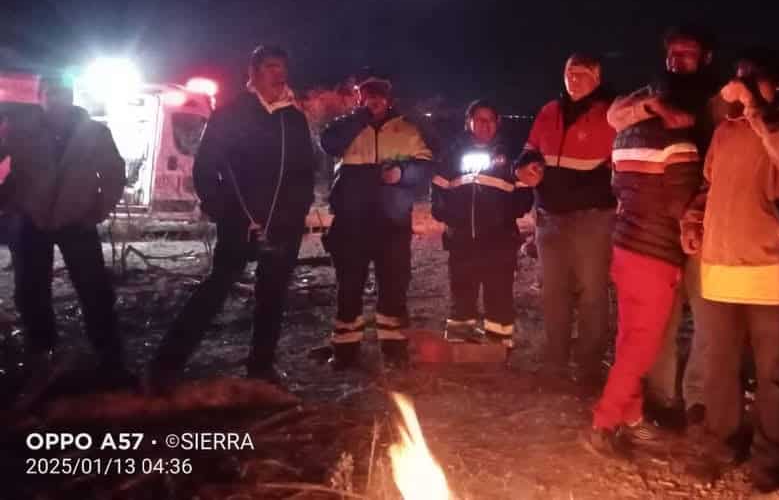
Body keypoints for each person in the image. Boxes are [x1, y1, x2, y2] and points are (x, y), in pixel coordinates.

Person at [679, 47, 779, 491]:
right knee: (720, 367)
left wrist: (755, 109)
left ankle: (772, 456)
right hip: (719, 264)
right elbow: (708, 185)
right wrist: (694, 219)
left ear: (778, 83)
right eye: (742, 79)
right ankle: (721, 443)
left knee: (774, 374)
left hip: (769, 268)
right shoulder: (724, 132)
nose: (746, 86)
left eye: (757, 80)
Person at [146, 45, 315, 389]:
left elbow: (303, 173)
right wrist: (226, 212)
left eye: (282, 66)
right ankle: (167, 364)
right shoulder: (231, 114)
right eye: (269, 66)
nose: (278, 73)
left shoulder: (293, 119)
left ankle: (261, 367)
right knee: (216, 287)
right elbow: (207, 169)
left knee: (273, 296)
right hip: (241, 224)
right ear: (252, 73)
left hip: (283, 226)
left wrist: (296, 214)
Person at [584, 25, 715, 458]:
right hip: (660, 249)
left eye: (688, 52)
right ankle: (605, 422)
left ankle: (632, 415)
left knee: (630, 336)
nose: (679, 59)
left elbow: (622, 181)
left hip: (626, 244)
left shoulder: (626, 140)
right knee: (644, 342)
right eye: (673, 53)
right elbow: (680, 202)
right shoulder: (678, 143)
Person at [1, 74, 127, 381]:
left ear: (73, 96)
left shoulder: (95, 132)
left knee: (95, 291)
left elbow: (114, 173)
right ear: (40, 96)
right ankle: (42, 351)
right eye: (52, 93)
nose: (58, 99)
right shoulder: (20, 130)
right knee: (31, 292)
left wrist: (97, 211)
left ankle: (110, 357)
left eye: (64, 93)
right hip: (31, 220)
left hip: (77, 221)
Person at [319, 76, 433, 368]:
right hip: (351, 221)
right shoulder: (346, 127)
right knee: (349, 286)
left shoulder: (407, 130)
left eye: (380, 95)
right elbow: (328, 144)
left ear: (389, 99)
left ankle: (393, 348)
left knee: (394, 285)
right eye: (368, 95)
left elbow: (424, 169)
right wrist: (359, 120)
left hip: (392, 222)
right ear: (359, 99)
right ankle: (345, 351)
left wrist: (403, 174)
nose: (375, 100)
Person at [523, 53, 616, 391]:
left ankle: (589, 369)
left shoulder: (609, 114)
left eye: (582, 74)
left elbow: (616, 164)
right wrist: (525, 165)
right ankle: (555, 364)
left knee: (592, 294)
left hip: (592, 218)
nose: (574, 80)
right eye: (569, 73)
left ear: (597, 78)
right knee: (554, 294)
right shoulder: (549, 112)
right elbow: (530, 148)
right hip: (550, 218)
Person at [431, 100, 543, 349]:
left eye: (490, 119)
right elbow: (438, 190)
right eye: (479, 119)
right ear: (468, 122)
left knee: (499, 296)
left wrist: (502, 218)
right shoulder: (452, 153)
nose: (484, 124)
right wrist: (448, 217)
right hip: (461, 241)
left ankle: (499, 348)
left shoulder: (512, 155)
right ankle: (461, 346)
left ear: (498, 123)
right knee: (462, 296)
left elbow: (523, 197)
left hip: (499, 242)